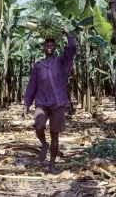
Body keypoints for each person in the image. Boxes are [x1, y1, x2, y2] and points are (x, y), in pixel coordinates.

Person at [21, 26, 76, 174]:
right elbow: (31, 86)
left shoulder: (61, 62)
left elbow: (72, 48)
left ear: (55, 47)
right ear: (44, 47)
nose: (49, 47)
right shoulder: (38, 66)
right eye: (47, 45)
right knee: (38, 125)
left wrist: (67, 33)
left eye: (52, 45)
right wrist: (26, 104)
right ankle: (44, 144)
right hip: (42, 102)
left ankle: (52, 165)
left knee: (55, 134)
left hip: (58, 103)